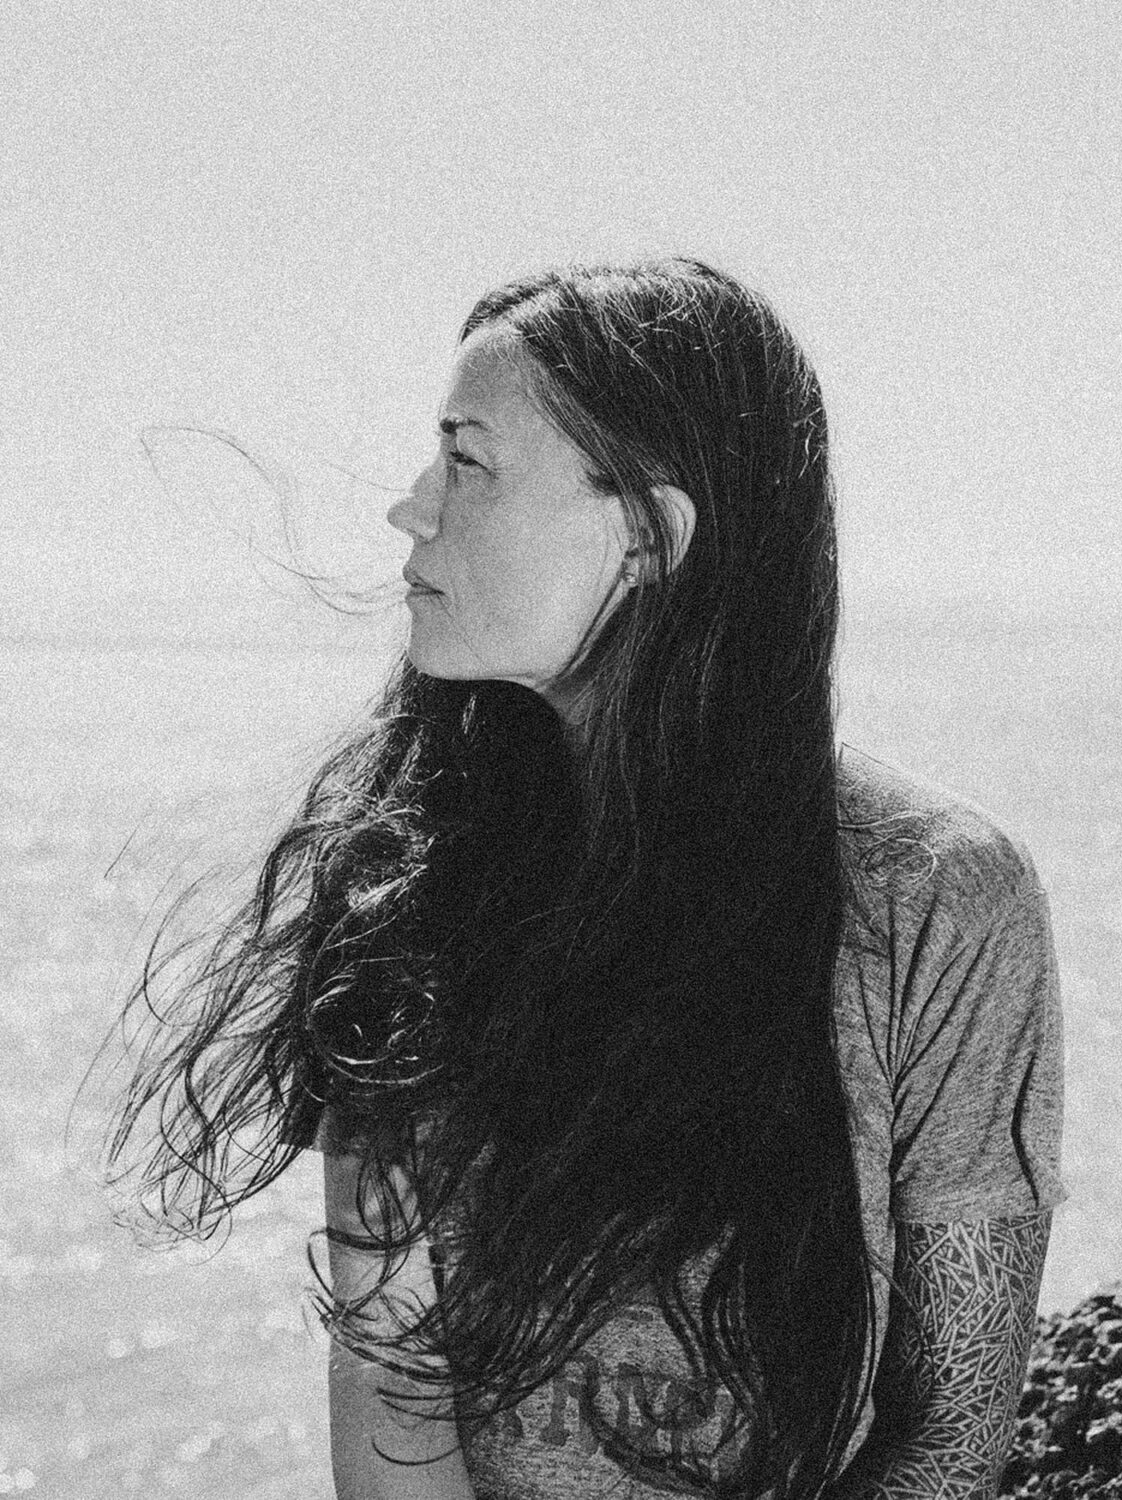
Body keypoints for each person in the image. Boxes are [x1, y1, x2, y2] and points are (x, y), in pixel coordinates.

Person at [103, 258, 1067, 1500]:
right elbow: (393, 1383)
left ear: (650, 537)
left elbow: (952, 1432)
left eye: (468, 462)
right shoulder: (405, 881)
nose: (410, 508)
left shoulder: (937, 897)